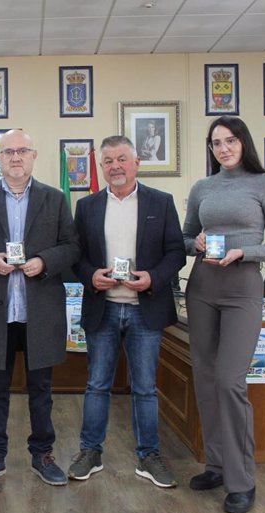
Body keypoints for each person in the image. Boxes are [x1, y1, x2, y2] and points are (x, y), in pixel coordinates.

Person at [0, 128, 80, 487]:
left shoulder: (54, 199)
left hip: (40, 309)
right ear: (0, 159)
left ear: (33, 155)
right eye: (8, 152)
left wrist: (44, 261)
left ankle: (42, 455)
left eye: (22, 150)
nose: (15, 157)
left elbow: (72, 247)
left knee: (41, 390)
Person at [183, 116, 265, 513]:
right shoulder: (203, 188)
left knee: (230, 382)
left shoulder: (264, 185)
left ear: (243, 143)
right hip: (202, 288)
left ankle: (242, 480)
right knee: (206, 379)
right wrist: (193, 241)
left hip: (243, 287)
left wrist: (243, 252)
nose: (223, 148)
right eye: (216, 143)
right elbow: (183, 238)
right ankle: (216, 465)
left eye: (230, 140)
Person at [69, 135, 185, 489]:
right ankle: (91, 452)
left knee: (146, 388)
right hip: (102, 309)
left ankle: (149, 457)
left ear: (137, 163)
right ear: (100, 166)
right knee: (97, 384)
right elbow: (76, 256)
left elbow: (176, 252)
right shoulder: (86, 206)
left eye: (122, 159)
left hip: (144, 310)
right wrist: (91, 275)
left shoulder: (161, 202)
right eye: (108, 161)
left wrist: (153, 278)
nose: (115, 166)